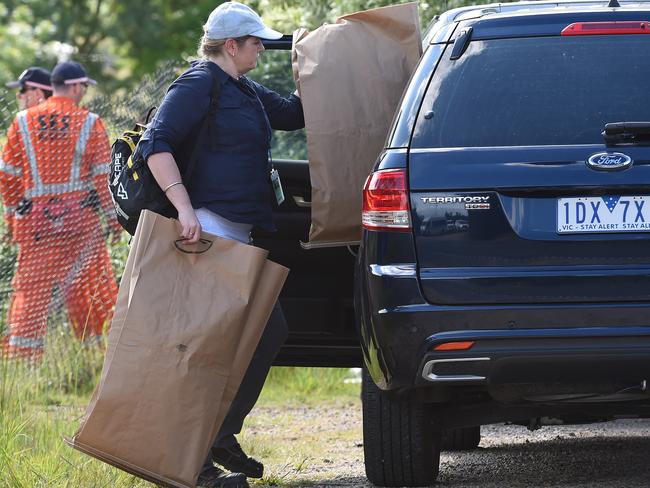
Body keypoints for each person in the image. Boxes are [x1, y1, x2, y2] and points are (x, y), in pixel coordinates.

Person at [137, 3, 304, 487]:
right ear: (230, 45)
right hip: (208, 233)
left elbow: (293, 114)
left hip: (240, 238)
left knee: (268, 332)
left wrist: (308, 62)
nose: (261, 49)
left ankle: (219, 436)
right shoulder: (199, 83)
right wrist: (185, 210)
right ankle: (195, 466)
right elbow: (157, 144)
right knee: (206, 351)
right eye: (256, 43)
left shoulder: (244, 88)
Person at [0, 61, 120, 360]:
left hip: (37, 228)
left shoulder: (23, 121)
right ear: (78, 86)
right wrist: (116, 221)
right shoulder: (91, 122)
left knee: (30, 295)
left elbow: (8, 176)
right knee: (92, 291)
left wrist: (15, 218)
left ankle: (22, 363)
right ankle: (100, 360)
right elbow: (103, 178)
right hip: (81, 226)